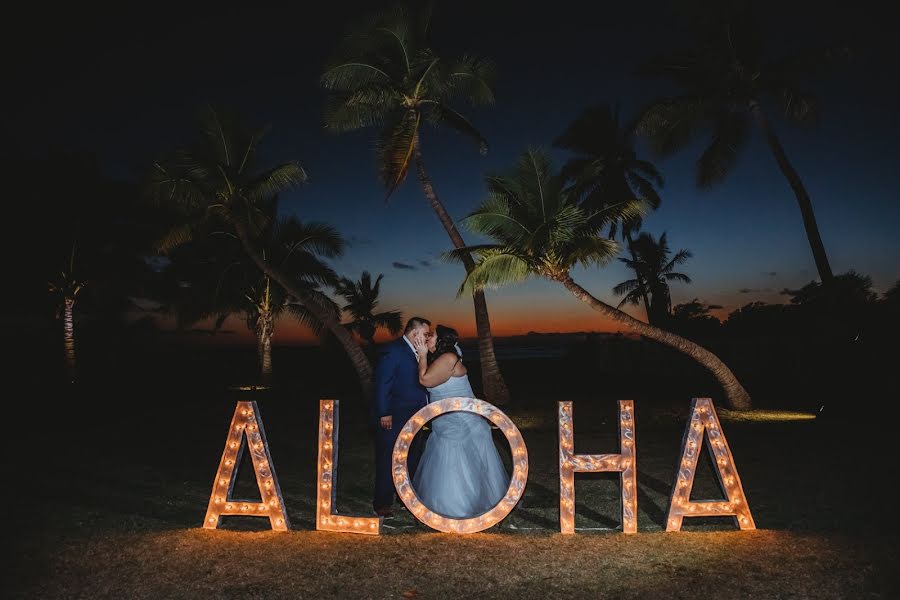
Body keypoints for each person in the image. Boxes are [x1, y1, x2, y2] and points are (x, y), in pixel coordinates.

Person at [411, 325, 509, 518]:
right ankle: (449, 508)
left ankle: (458, 509)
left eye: (431, 336)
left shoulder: (448, 358)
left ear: (441, 341)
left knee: (454, 461)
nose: (427, 339)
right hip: (447, 419)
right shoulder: (443, 358)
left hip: (460, 422)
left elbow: (425, 381)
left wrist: (422, 355)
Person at [372, 317, 432, 518]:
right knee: (389, 458)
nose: (427, 337)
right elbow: (382, 383)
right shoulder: (394, 350)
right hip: (395, 415)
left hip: (416, 416)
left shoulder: (419, 352)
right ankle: (382, 502)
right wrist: (384, 412)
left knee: (412, 457)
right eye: (425, 334)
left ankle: (405, 498)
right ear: (414, 334)